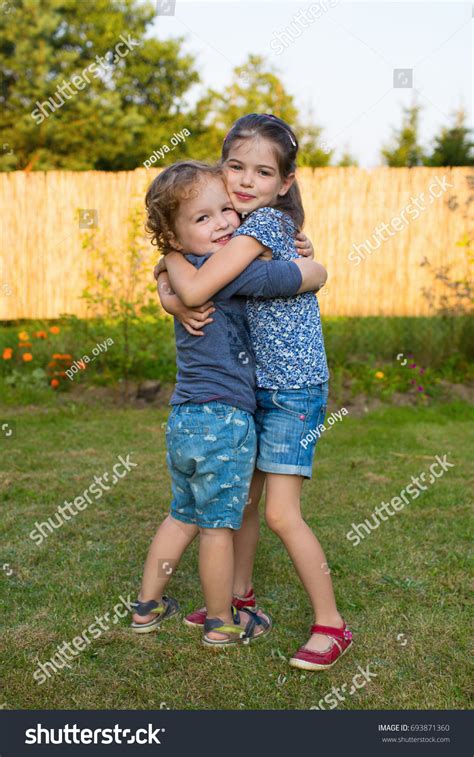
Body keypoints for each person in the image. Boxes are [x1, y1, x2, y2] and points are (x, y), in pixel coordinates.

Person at [157, 114, 353, 670]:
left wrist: (173, 282)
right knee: (242, 502)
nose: (245, 181)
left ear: (284, 183)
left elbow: (199, 279)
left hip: (292, 389)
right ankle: (240, 601)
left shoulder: (264, 225)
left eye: (262, 172)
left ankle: (331, 625)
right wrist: (169, 281)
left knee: (280, 514)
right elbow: (192, 268)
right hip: (252, 387)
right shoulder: (233, 228)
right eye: (235, 166)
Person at [131, 159, 327, 647]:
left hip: (183, 416)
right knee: (219, 526)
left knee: (182, 515)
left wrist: (166, 271)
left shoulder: (186, 268)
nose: (222, 223)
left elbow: (172, 265)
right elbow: (306, 277)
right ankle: (221, 622)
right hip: (225, 417)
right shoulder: (233, 275)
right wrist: (314, 265)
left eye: (225, 210)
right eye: (204, 218)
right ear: (178, 236)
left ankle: (146, 607)